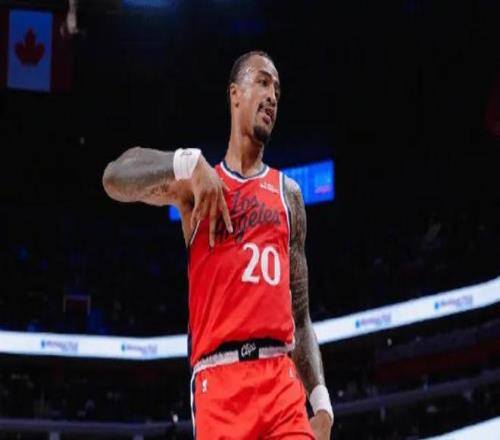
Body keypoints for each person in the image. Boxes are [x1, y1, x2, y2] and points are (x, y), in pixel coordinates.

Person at [102, 50, 333, 439]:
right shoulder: (196, 185)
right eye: (263, 82)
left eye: (277, 90)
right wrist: (186, 162)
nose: (272, 96)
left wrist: (322, 402)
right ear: (235, 94)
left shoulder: (289, 194)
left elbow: (301, 313)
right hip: (219, 383)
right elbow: (115, 177)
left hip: (281, 382)